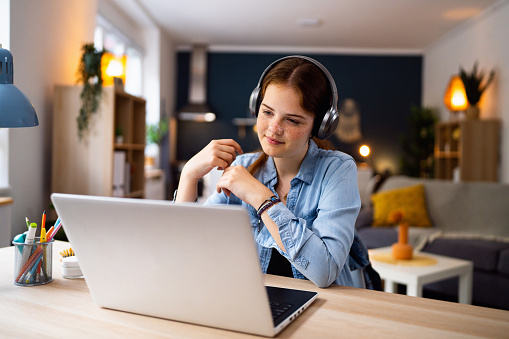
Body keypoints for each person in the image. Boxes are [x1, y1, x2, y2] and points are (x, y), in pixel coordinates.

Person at [175, 56, 369, 288]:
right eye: (267, 112)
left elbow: (324, 271)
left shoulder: (337, 169)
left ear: (319, 127)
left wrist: (261, 197)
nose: (274, 129)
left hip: (325, 307)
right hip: (256, 302)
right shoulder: (242, 167)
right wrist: (188, 176)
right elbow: (185, 250)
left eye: (293, 121)